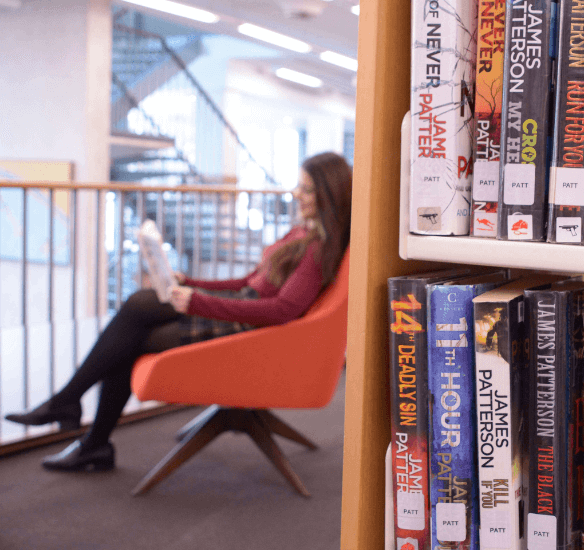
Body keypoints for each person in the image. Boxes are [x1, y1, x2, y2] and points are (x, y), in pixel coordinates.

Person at [5, 151, 352, 472]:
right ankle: (79, 421)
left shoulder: (318, 248)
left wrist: (198, 300)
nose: (296, 194)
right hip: (245, 313)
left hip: (253, 328)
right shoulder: (301, 232)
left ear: (328, 193)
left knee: (138, 320)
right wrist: (192, 282)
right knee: (141, 311)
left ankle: (78, 419)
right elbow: (250, 280)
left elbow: (281, 311)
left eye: (306, 189)